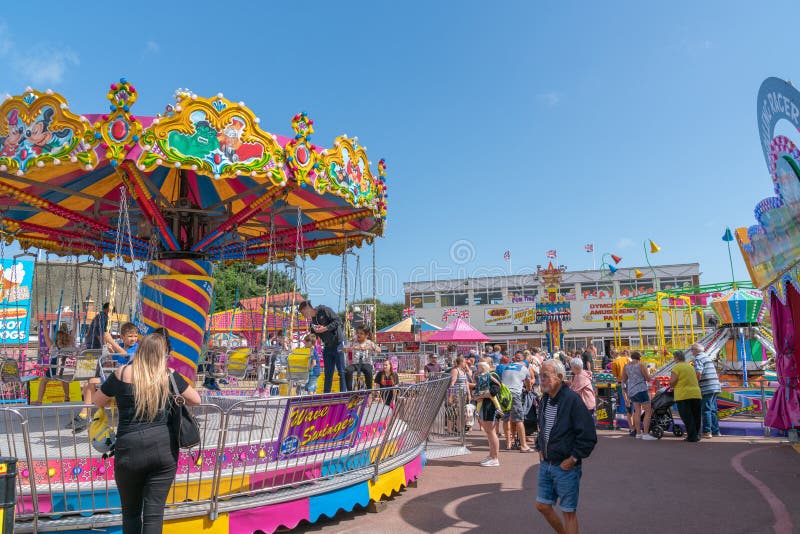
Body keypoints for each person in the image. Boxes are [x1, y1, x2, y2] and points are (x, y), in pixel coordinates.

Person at [93, 332, 201, 533]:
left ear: (141, 351)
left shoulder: (121, 373)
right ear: (162, 354)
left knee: (131, 513)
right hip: (163, 450)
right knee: (154, 513)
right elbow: (196, 400)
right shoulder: (168, 375)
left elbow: (98, 401)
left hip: (129, 450)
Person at [535, 359, 597, 534]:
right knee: (542, 505)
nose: (542, 380)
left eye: (545, 376)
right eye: (540, 376)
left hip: (566, 466)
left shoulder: (572, 400)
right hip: (546, 463)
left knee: (568, 512)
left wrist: (574, 458)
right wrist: (539, 447)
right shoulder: (545, 399)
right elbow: (543, 427)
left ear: (560, 377)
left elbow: (588, 435)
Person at [299, 300, 346, 393]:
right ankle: (326, 395)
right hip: (327, 347)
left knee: (341, 372)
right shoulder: (312, 321)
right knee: (328, 373)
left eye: (302, 312)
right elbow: (312, 337)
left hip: (338, 344)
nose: (303, 315)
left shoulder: (324, 310)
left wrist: (325, 328)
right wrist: (306, 346)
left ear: (307, 308)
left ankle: (343, 394)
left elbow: (338, 320)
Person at [32, 320, 73, 405]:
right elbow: (73, 333)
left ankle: (39, 400)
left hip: (54, 372)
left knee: (44, 380)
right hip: (67, 371)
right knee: (64, 377)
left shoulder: (53, 347)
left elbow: (46, 336)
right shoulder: (69, 346)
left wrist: (44, 324)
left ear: (56, 339)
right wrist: (75, 321)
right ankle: (67, 397)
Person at [501, 351, 535, 452]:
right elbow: (528, 384)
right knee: (519, 419)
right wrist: (528, 390)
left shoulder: (506, 367)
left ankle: (508, 444)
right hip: (515, 394)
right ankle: (523, 445)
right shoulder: (524, 369)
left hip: (504, 395)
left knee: (506, 419)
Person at [621, 351, 656, 440]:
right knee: (648, 411)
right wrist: (650, 375)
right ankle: (645, 433)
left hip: (631, 391)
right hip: (641, 389)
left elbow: (623, 380)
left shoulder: (626, 366)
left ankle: (638, 433)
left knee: (637, 411)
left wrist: (625, 392)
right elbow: (648, 378)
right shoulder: (641, 365)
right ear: (639, 358)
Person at [473, 361, 503, 467]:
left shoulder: (492, 375)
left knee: (491, 432)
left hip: (490, 407)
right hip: (485, 406)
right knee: (489, 432)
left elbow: (495, 390)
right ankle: (491, 455)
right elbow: (476, 389)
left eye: (479, 367)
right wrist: (476, 395)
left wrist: (480, 396)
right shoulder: (481, 376)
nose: (477, 368)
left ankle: (495, 458)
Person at [670, 350, 702, 442]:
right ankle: (697, 434)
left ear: (676, 358)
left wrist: (671, 385)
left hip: (683, 394)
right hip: (696, 393)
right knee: (696, 415)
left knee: (687, 416)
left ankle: (692, 436)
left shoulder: (676, 367)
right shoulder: (691, 366)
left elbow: (673, 381)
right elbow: (697, 377)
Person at [691, 343, 721, 438]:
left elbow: (698, 372)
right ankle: (716, 431)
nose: (691, 352)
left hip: (707, 386)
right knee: (712, 410)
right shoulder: (707, 357)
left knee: (706, 409)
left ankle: (707, 431)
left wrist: (696, 383)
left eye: (692, 350)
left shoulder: (698, 359)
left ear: (695, 350)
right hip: (715, 386)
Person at [345, 326, 379, 391]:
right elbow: (343, 349)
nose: (358, 335)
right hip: (355, 363)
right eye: (358, 333)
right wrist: (352, 348)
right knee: (348, 370)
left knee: (368, 370)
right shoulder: (353, 341)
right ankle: (349, 391)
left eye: (361, 333)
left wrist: (370, 347)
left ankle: (369, 391)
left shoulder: (369, 342)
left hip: (366, 363)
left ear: (366, 335)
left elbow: (379, 350)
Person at [610, 349, 634, 434]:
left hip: (621, 381)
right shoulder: (626, 359)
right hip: (631, 381)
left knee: (623, 396)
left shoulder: (614, 363)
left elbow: (614, 375)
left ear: (612, 355)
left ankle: (624, 411)